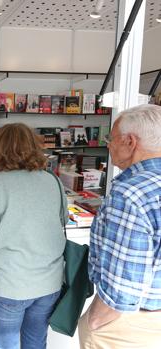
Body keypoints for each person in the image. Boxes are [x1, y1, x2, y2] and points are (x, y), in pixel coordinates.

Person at [0, 123, 67, 349]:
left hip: (10, 283)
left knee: (5, 345)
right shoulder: (52, 180)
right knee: (36, 342)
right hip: (49, 281)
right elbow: (62, 221)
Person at [78, 104, 161, 349]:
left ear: (129, 142)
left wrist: (95, 321)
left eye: (110, 138)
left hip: (129, 325)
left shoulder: (130, 194)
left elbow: (122, 286)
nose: (108, 144)